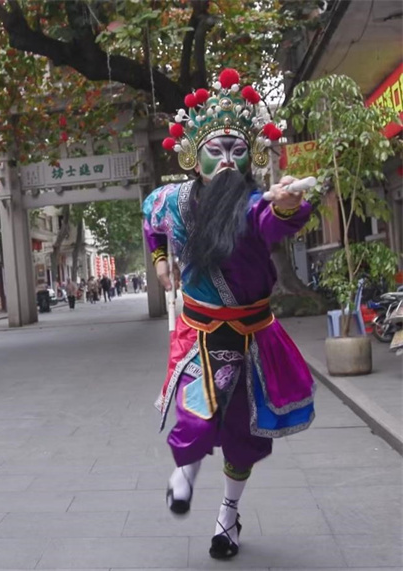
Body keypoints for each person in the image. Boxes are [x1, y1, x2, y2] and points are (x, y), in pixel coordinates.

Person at [143, 69, 315, 560]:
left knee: (242, 435)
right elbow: (152, 227)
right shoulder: (170, 201)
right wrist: (160, 265)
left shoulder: (255, 205)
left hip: (253, 335)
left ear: (251, 157)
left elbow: (276, 219)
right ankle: (182, 476)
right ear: (192, 156)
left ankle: (227, 517)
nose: (225, 160)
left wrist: (288, 205)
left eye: (236, 151)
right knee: (196, 419)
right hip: (199, 331)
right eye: (215, 151)